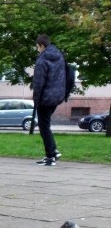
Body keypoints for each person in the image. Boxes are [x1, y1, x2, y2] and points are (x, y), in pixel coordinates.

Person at [32, 34, 66, 167]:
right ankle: (52, 152)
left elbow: (38, 82)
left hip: (45, 98)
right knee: (45, 125)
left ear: (41, 45)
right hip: (57, 96)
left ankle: (51, 155)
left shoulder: (42, 60)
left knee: (43, 127)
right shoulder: (60, 57)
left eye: (37, 47)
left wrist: (36, 100)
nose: (37, 50)